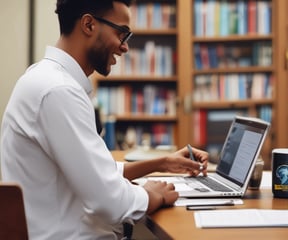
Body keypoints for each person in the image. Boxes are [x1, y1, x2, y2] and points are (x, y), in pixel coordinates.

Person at [0, 0, 208, 239]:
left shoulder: (47, 80)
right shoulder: (57, 91)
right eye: (122, 33)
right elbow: (110, 201)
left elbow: (95, 171)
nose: (125, 47)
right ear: (88, 24)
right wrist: (153, 194)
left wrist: (162, 163)